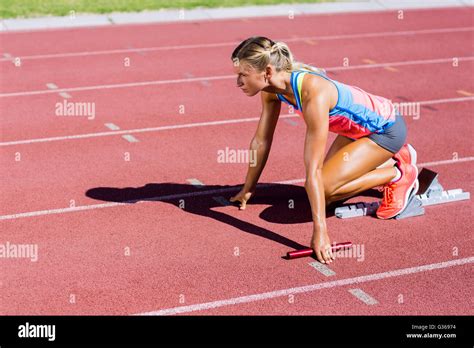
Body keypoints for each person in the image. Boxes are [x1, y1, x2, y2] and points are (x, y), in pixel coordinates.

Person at [229, 36, 419, 264]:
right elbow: (261, 140)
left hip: (386, 131)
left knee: (324, 190)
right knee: (322, 194)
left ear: (267, 72)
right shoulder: (271, 90)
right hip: (354, 132)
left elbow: (313, 170)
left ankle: (398, 172)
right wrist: (249, 188)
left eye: (243, 75)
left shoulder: (314, 94)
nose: (238, 82)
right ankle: (385, 160)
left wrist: (320, 232)